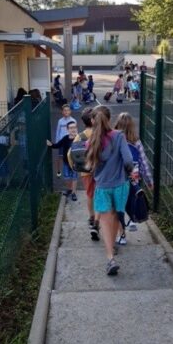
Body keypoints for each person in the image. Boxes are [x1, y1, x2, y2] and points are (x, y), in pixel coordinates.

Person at [86, 106, 133, 275]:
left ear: (93, 120)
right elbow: (128, 160)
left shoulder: (91, 141)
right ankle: (113, 246)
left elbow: (89, 166)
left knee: (105, 221)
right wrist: (128, 173)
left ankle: (110, 258)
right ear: (109, 119)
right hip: (120, 184)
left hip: (103, 186)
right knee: (115, 217)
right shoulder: (119, 136)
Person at [114, 112, 154, 244]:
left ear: (117, 125)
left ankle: (122, 235)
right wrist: (149, 181)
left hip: (118, 178)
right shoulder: (136, 142)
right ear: (132, 126)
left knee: (119, 206)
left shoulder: (114, 139)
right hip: (133, 178)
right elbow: (143, 163)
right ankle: (132, 219)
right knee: (131, 200)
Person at [69, 108, 100, 240]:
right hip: (100, 170)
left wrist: (75, 167)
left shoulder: (80, 136)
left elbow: (70, 154)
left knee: (90, 194)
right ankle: (99, 219)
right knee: (100, 194)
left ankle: (91, 217)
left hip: (85, 171)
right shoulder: (99, 134)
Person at [47, 121, 78, 201]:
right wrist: (51, 145)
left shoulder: (78, 138)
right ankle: (70, 189)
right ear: (67, 129)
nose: (73, 129)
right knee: (67, 177)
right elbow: (58, 145)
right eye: (71, 128)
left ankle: (73, 193)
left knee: (74, 177)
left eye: (74, 127)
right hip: (66, 162)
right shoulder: (65, 138)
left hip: (75, 163)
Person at [55, 104, 76, 177]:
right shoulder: (60, 121)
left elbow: (75, 132)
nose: (66, 112)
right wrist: (57, 142)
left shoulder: (73, 120)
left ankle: (71, 170)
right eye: (65, 110)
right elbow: (58, 132)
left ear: (70, 111)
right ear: (62, 112)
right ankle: (58, 171)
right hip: (62, 142)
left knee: (71, 157)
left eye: (68, 110)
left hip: (70, 143)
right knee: (60, 157)